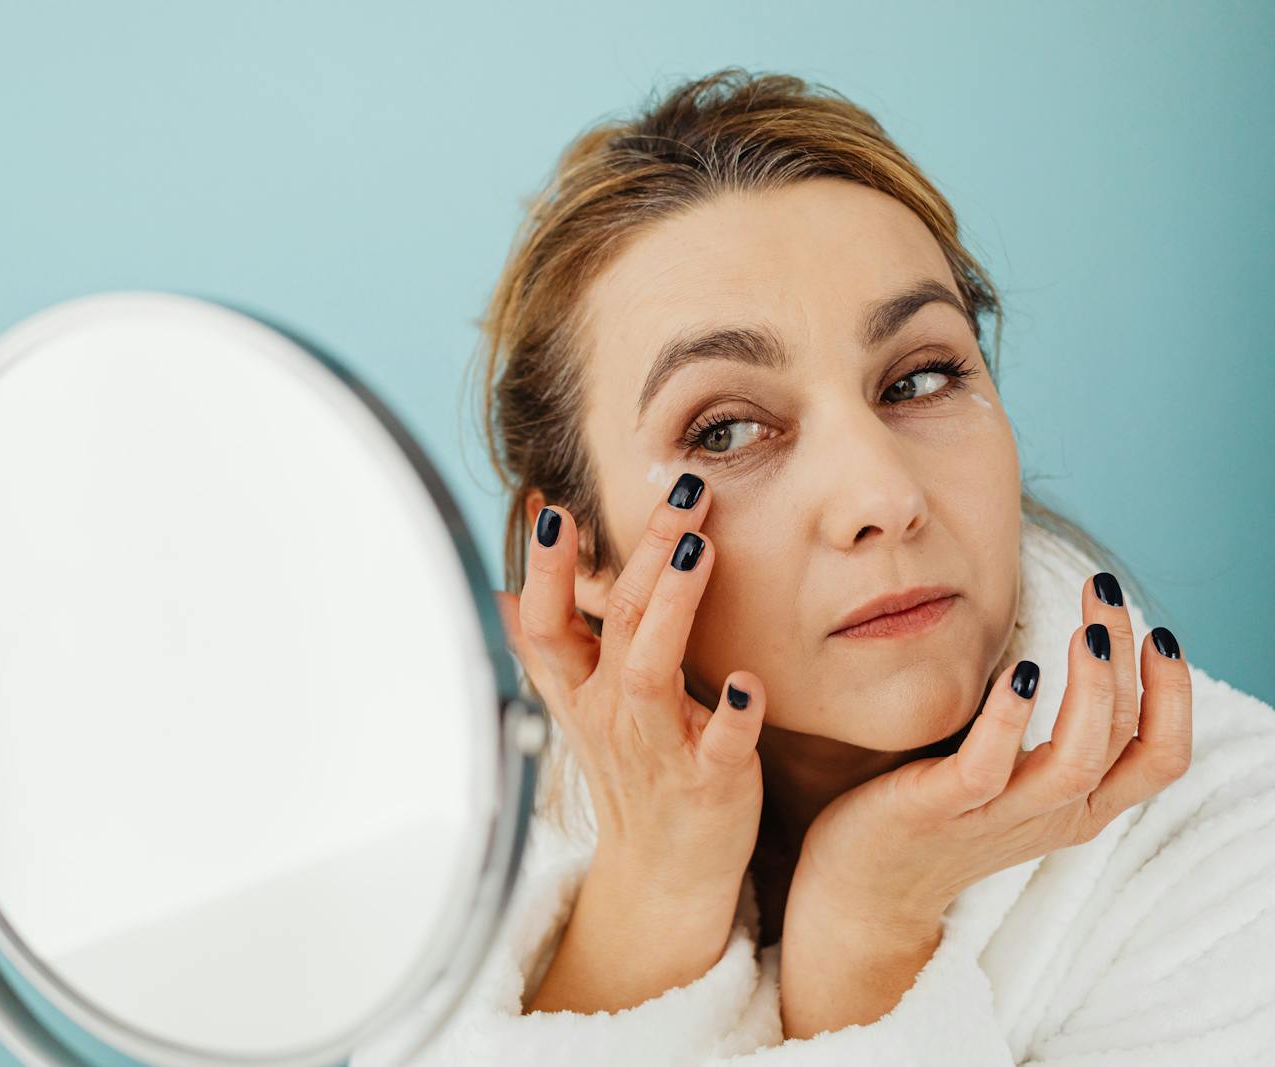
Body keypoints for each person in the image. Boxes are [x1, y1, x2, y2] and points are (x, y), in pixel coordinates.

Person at [408, 68, 1275, 1063]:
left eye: (917, 377)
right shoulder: (445, 842)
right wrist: (653, 889)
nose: (881, 496)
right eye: (727, 429)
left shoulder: (1240, 863)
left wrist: (863, 928)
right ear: (584, 553)